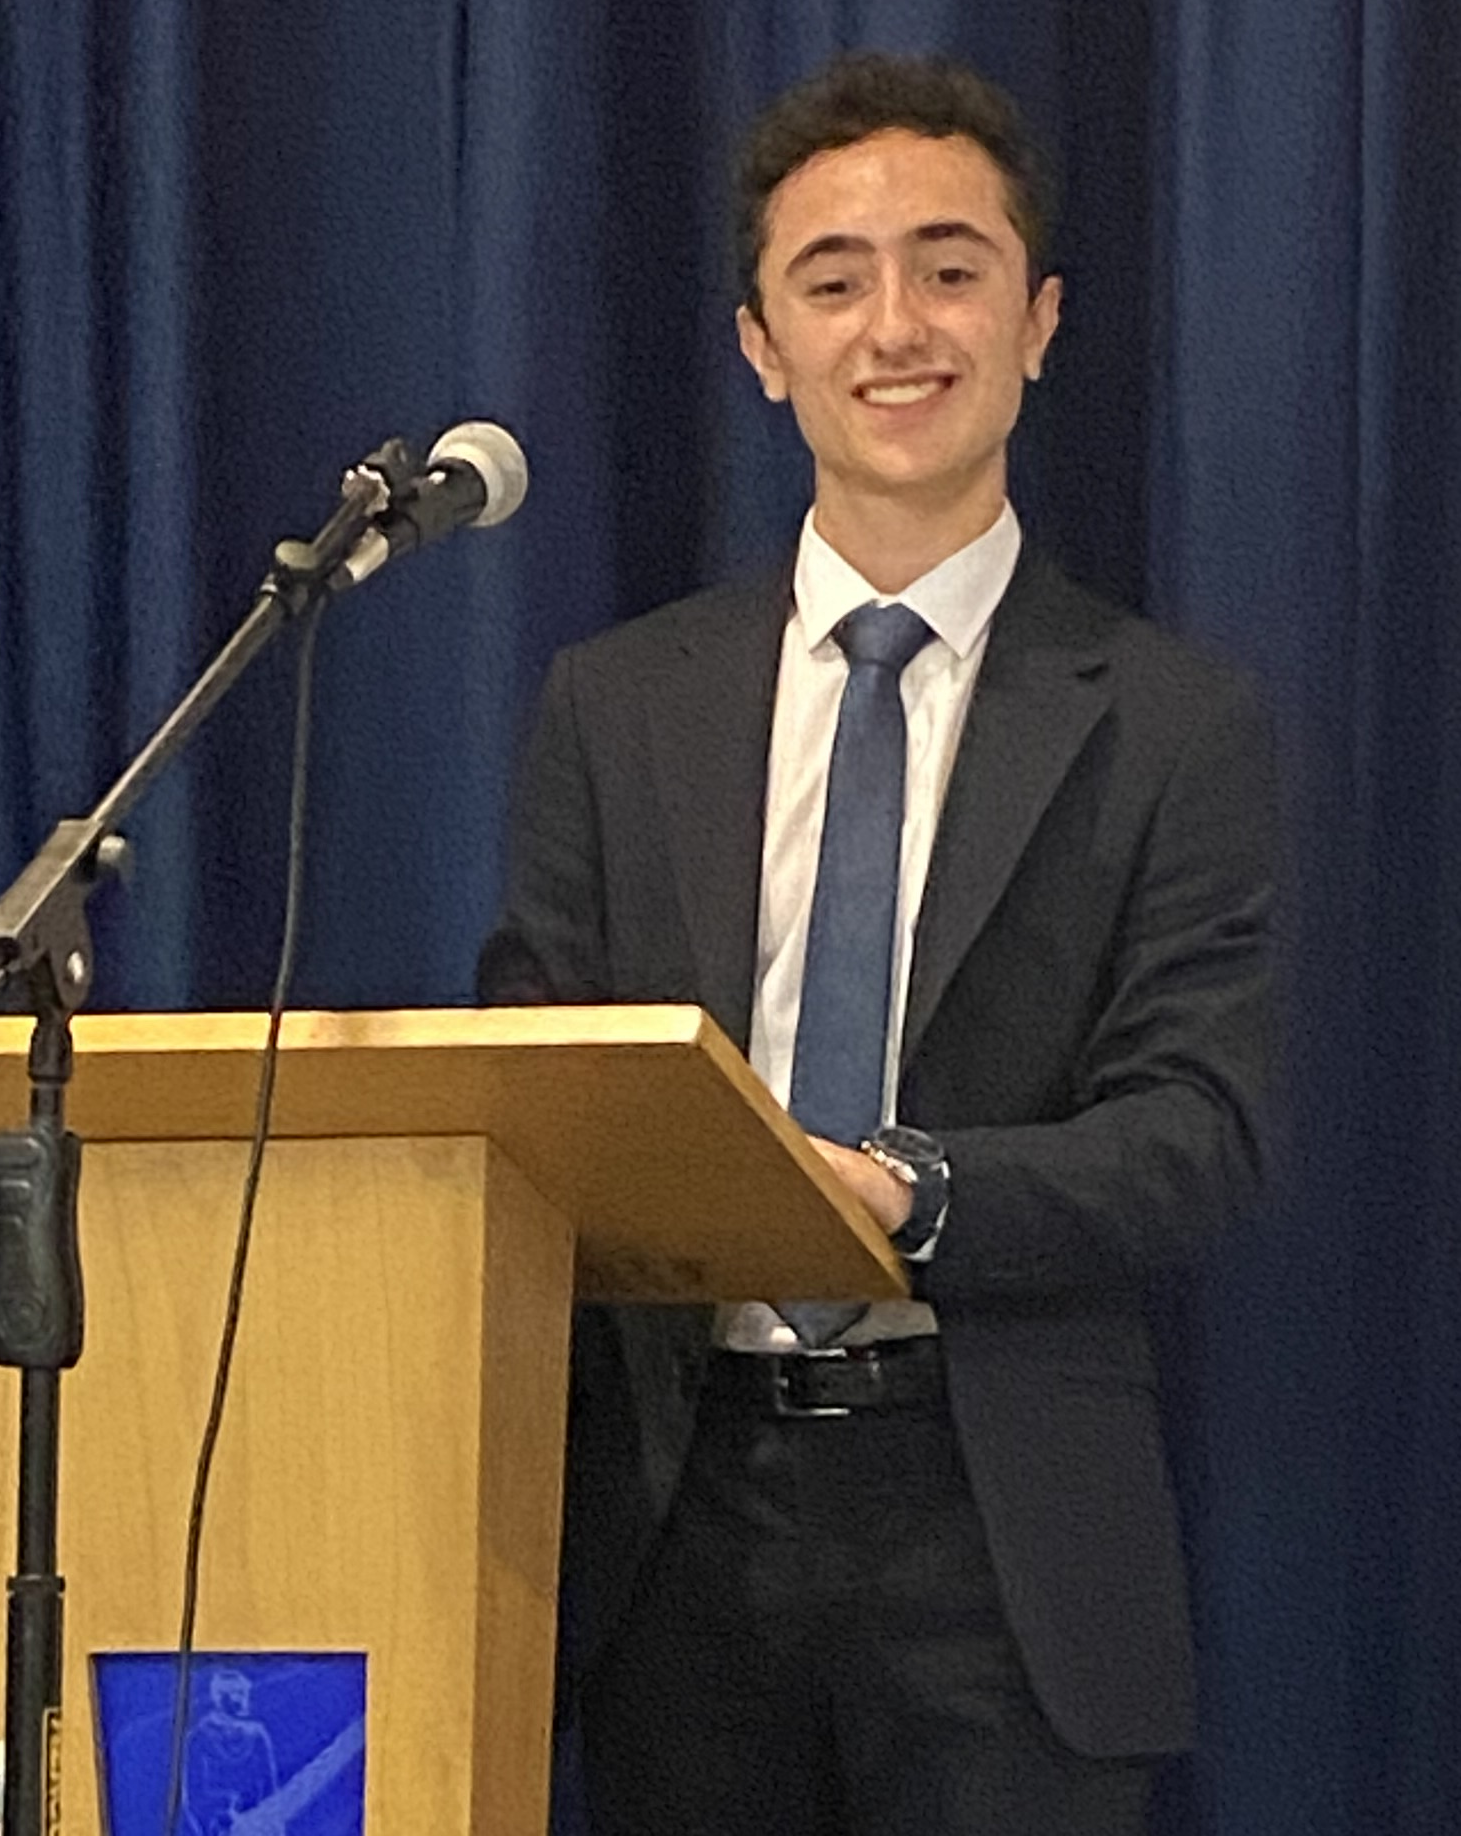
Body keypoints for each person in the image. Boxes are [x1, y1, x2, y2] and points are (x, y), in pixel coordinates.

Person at [478, 50, 1279, 1836]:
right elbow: (532, 1067)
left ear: (1040, 318)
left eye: (951, 266)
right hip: (674, 1523)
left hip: (999, 1529)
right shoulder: (619, 706)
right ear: (763, 346)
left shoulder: (1170, 720)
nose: (894, 325)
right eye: (831, 281)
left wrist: (904, 1189)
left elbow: (1200, 1134)